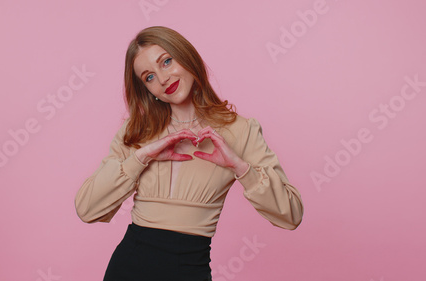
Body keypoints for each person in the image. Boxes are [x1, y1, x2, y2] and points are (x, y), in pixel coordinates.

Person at [74, 26, 304, 281]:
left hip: (189, 271)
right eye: (149, 77)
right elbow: (87, 209)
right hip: (127, 269)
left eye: (167, 62)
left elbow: (291, 215)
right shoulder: (137, 131)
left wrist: (240, 168)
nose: (162, 79)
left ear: (187, 57)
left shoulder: (240, 130)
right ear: (147, 90)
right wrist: (141, 158)